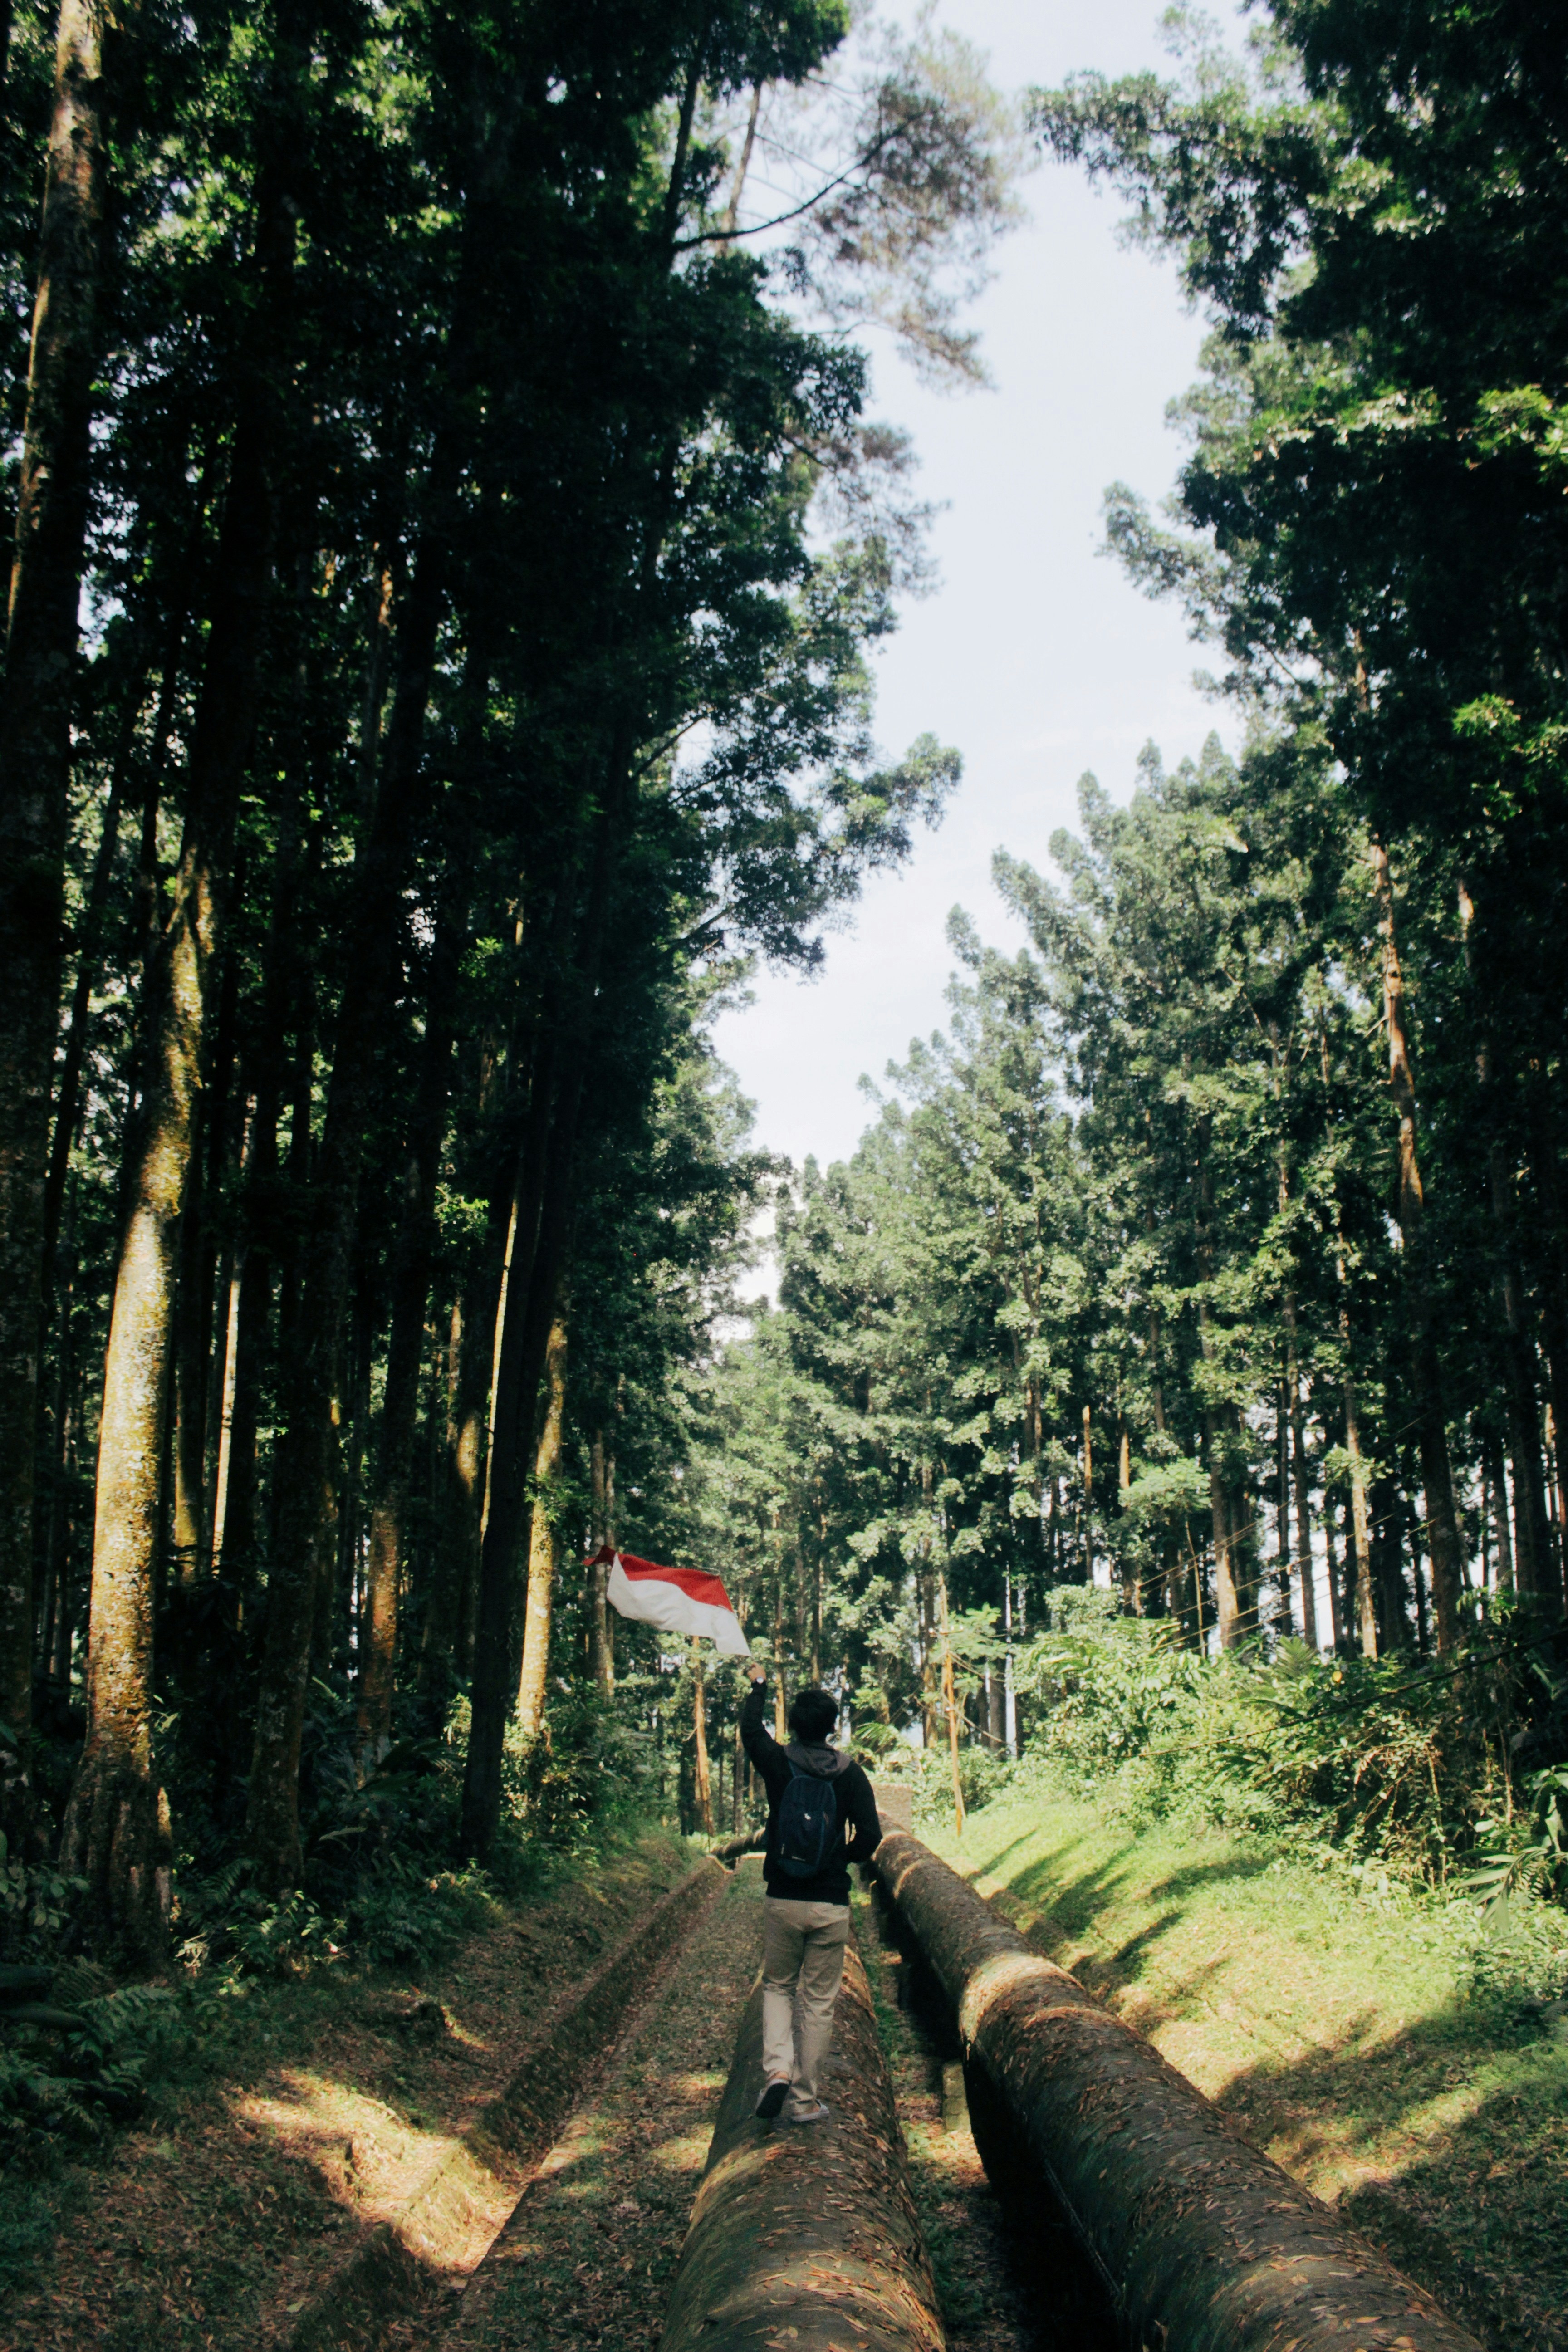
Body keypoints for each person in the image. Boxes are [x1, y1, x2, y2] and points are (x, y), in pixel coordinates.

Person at [739, 1660, 882, 2124]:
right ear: (832, 1728)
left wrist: (759, 1686)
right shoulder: (850, 1774)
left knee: (779, 1987)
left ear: (794, 1726)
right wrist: (839, 1859)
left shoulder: (779, 1762)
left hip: (783, 1896)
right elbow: (871, 1837)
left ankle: (777, 2071)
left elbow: (749, 1731)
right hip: (830, 1903)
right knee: (819, 2003)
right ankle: (804, 2102)